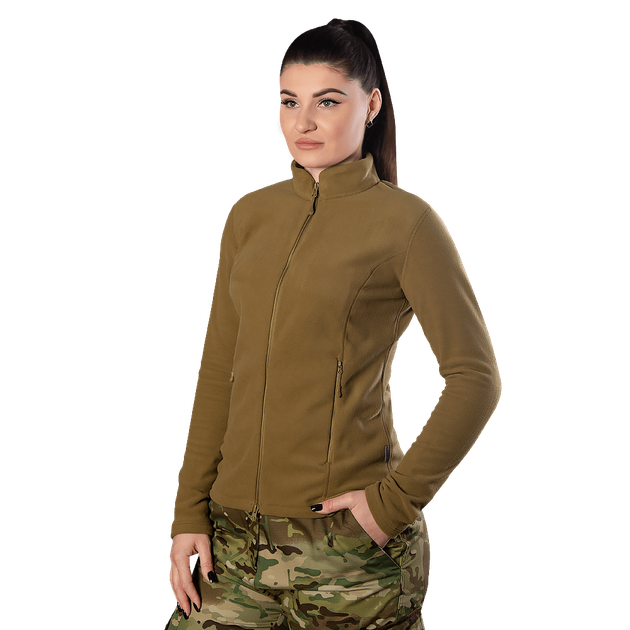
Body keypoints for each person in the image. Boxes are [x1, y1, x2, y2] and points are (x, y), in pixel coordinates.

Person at [166, 17, 502, 630]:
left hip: (348, 552)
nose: (303, 122)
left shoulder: (407, 224)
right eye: (288, 102)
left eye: (327, 101)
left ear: (371, 105)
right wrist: (188, 510)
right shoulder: (248, 216)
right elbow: (218, 373)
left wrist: (392, 505)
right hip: (233, 543)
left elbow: (476, 379)